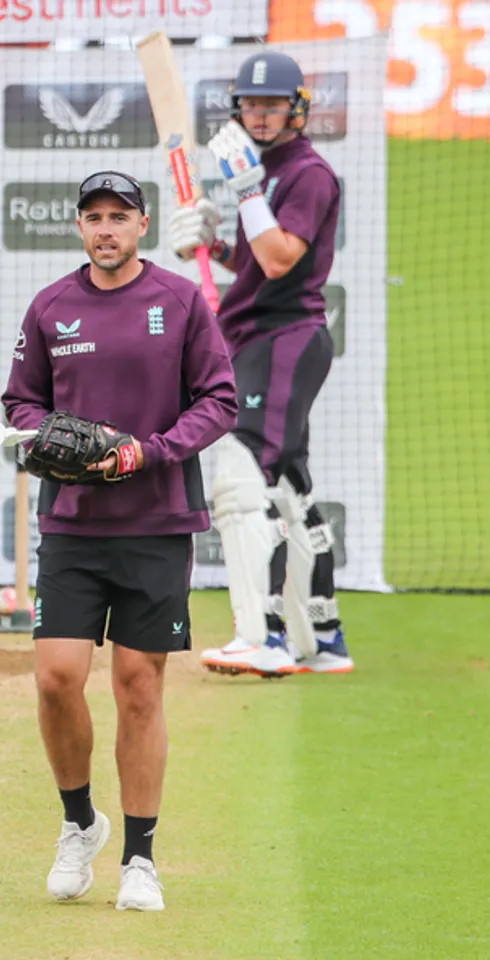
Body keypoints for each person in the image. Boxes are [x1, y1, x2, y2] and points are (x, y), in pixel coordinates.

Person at [1, 170, 238, 911]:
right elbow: (20, 403)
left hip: (156, 524)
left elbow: (220, 400)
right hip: (71, 525)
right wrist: (46, 437)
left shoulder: (178, 302)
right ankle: (81, 825)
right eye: (93, 217)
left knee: (140, 688)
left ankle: (141, 858)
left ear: (142, 226)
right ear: (79, 227)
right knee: (55, 679)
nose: (105, 229)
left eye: (119, 217)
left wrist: (149, 451)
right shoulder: (50, 307)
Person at [168, 50, 355, 678]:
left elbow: (279, 261)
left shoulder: (305, 173)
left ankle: (264, 637)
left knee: (242, 484)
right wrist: (214, 243)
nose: (261, 114)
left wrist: (246, 188)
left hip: (284, 338)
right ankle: (322, 639)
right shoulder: (269, 170)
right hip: (261, 337)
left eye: (273, 104)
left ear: (297, 108)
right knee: (288, 489)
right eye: (251, 105)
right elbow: (255, 264)